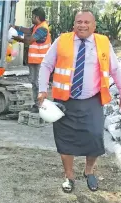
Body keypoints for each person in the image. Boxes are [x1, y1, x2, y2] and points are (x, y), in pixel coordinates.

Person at [37, 9, 121, 193]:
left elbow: (116, 70)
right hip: (64, 101)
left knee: (94, 137)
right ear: (74, 24)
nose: (82, 25)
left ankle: (89, 170)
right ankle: (69, 176)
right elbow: (46, 65)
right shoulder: (62, 40)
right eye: (79, 22)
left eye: (86, 22)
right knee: (65, 140)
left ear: (94, 25)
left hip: (92, 100)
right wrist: (42, 89)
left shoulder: (103, 43)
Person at [11, 7, 51, 113]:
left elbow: (29, 40)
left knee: (38, 83)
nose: (31, 18)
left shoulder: (42, 28)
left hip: (40, 62)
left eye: (32, 17)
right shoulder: (37, 26)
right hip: (35, 60)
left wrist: (18, 39)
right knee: (34, 82)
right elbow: (28, 30)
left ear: (37, 17)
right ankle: (36, 104)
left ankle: (40, 105)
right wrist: (15, 27)